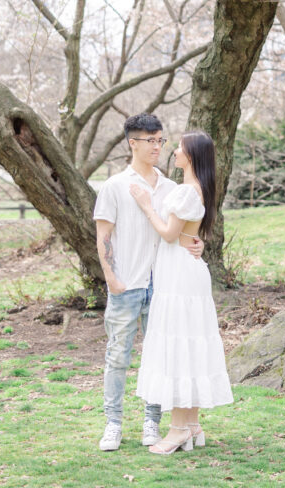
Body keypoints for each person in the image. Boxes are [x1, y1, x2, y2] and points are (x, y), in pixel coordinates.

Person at [93, 112, 204, 452]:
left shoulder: (172, 188)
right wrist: (112, 278)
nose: (158, 146)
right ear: (133, 143)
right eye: (151, 141)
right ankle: (113, 424)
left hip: (165, 286)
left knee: (160, 357)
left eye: (161, 140)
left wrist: (200, 244)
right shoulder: (114, 186)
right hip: (128, 284)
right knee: (117, 357)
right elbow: (104, 235)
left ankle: (151, 422)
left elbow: (181, 231)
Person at [129, 130, 233, 455]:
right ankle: (190, 425)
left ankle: (176, 430)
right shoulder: (194, 190)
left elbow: (170, 234)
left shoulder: (188, 192)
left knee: (178, 345)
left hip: (180, 275)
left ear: (192, 155)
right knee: (187, 343)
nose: (174, 151)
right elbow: (189, 234)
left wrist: (147, 206)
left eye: (180, 148)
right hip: (185, 271)